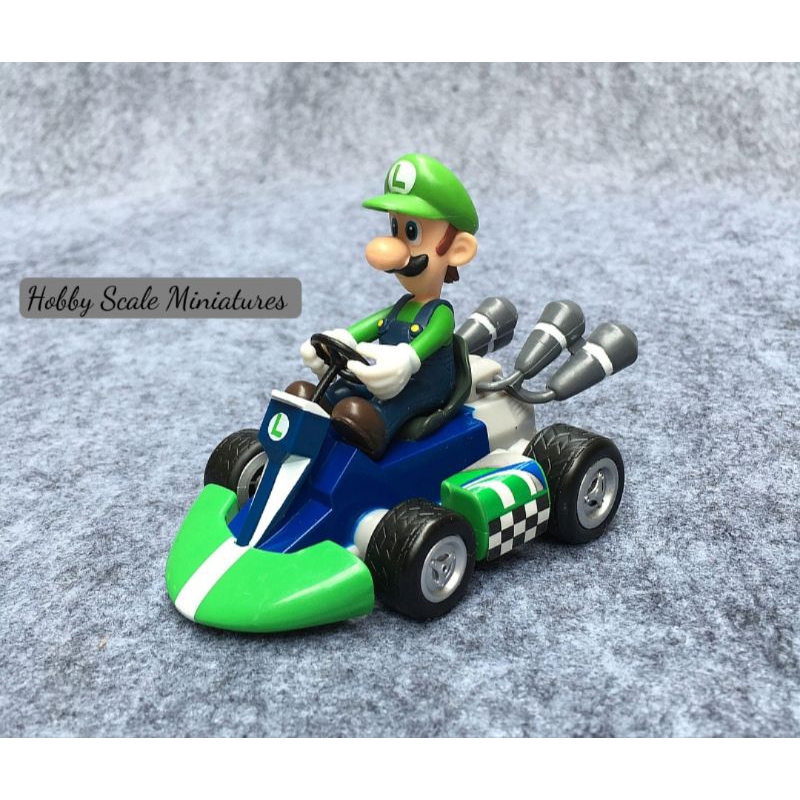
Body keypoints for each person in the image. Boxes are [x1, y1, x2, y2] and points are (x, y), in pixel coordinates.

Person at [287, 153, 479, 460]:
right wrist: (336, 341)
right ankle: (321, 412)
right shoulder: (398, 309)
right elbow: (361, 331)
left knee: (386, 406)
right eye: (395, 229)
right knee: (342, 392)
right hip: (390, 379)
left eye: (412, 233)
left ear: (458, 250)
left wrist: (406, 359)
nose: (394, 248)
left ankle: (376, 431)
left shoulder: (441, 314)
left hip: (424, 387)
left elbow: (426, 344)